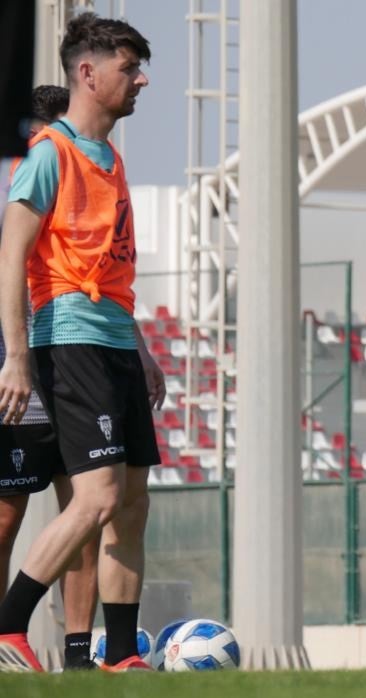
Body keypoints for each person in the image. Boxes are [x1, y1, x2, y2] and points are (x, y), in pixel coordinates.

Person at [0, 13, 163, 672]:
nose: (142, 79)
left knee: (130, 505)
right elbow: (11, 257)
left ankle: (120, 656)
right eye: (130, 67)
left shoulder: (113, 158)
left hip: (117, 344)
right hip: (68, 342)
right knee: (92, 499)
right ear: (88, 74)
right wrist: (17, 354)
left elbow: (115, 268)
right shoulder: (50, 155)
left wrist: (143, 347)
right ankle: (9, 629)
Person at [0, 84, 102, 671]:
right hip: (23, 364)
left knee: (84, 509)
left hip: (76, 361)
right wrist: (14, 358)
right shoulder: (32, 174)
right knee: (7, 510)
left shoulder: (88, 180)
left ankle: (79, 656)